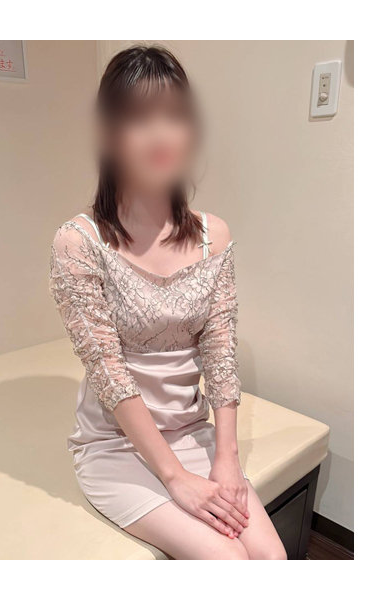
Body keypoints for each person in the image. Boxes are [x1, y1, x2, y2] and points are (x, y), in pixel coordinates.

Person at [50, 45, 286, 560]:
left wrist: (227, 458)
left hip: (192, 432)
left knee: (272, 559)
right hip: (117, 445)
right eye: (140, 118)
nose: (161, 134)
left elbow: (220, 353)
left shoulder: (213, 235)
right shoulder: (77, 243)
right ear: (110, 134)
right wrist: (176, 478)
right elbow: (109, 373)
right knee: (228, 561)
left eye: (175, 116)